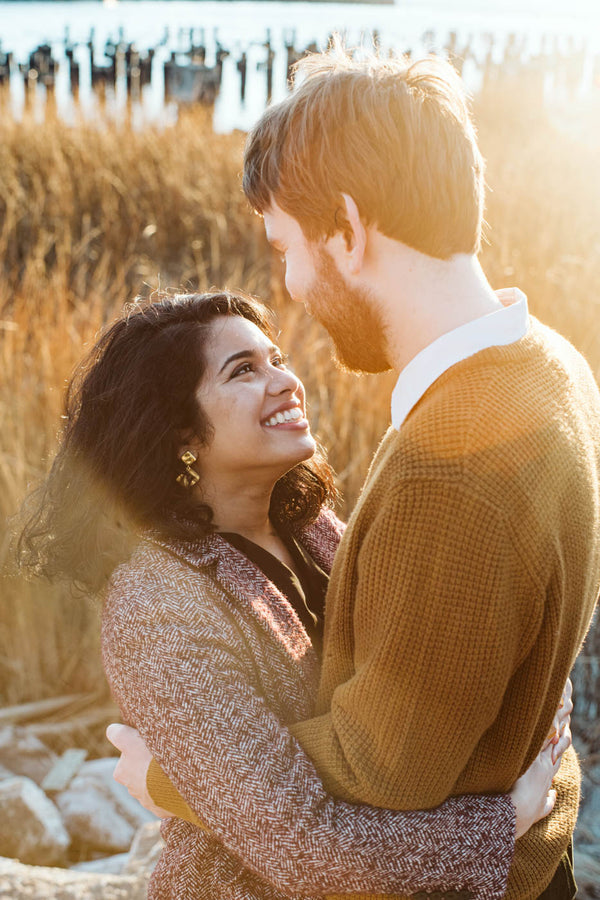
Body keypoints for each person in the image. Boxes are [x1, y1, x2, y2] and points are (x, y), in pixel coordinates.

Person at [116, 45, 600, 898]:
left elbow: (381, 775)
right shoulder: (556, 364)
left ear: (345, 227)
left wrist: (174, 774)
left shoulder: (447, 468)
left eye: (287, 248)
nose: (293, 285)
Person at [16, 291, 570, 900]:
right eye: (244, 370)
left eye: (276, 359)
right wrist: (503, 825)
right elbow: (301, 845)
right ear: (180, 433)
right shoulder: (158, 607)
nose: (285, 381)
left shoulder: (311, 526)